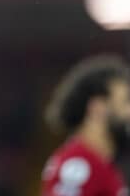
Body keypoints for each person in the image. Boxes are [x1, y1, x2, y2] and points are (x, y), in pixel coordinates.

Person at [41, 54, 130, 196]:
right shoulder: (79, 166)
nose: (128, 113)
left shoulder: (100, 164)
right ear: (98, 108)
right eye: (125, 102)